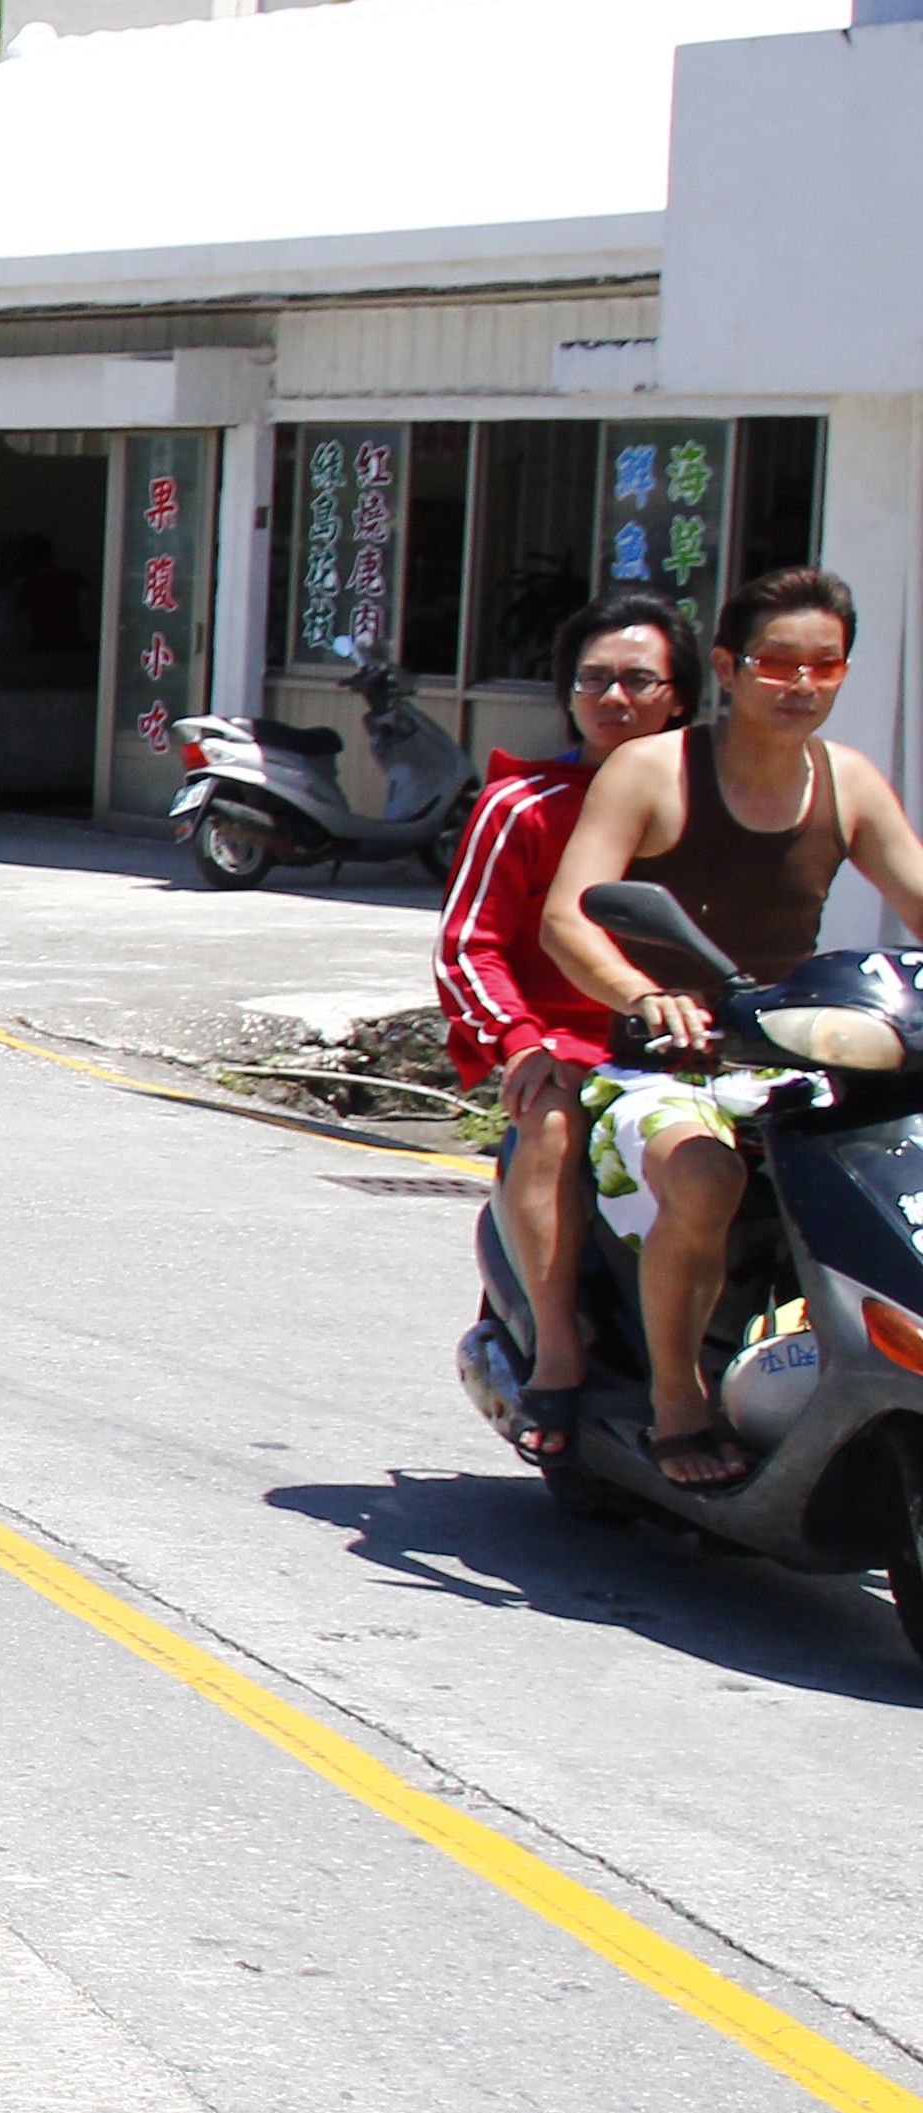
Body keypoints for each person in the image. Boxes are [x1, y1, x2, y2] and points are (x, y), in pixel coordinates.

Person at [539, 565, 923, 1491]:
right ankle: (680, 1402)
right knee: (706, 1175)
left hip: (792, 1061)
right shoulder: (651, 770)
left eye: (825, 666)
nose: (801, 684)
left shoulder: (849, 781)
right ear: (727, 667)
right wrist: (641, 996)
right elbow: (566, 919)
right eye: (777, 662)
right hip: (660, 1065)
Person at [437, 591, 698, 1464]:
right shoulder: (524, 803)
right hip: (567, 1044)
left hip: (695, 1044)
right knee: (550, 1121)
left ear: (681, 695)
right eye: (594, 680)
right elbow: (468, 944)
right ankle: (558, 1350)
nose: (613, 698)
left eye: (638, 680)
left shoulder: (717, 803)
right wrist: (520, 1038)